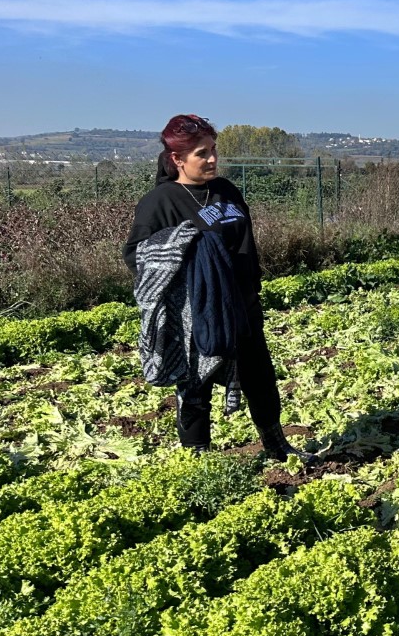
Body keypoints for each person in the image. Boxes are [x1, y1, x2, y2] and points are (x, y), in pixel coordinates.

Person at [123, 114, 294, 459]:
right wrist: (184, 250)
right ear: (177, 159)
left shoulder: (226, 191)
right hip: (196, 313)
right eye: (202, 153)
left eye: (213, 150)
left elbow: (246, 243)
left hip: (242, 304)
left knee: (259, 378)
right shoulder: (161, 202)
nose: (213, 159)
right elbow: (136, 256)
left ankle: (277, 445)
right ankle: (197, 458)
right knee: (195, 388)